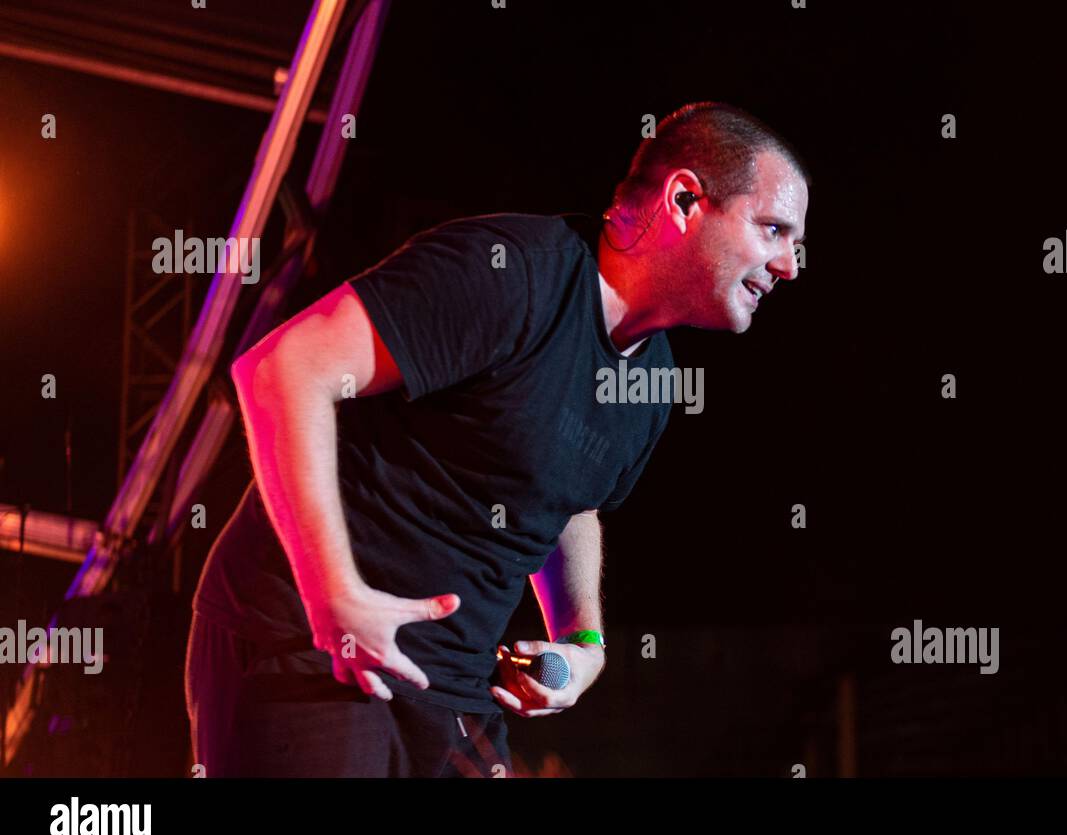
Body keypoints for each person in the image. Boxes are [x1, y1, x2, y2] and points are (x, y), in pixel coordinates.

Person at [184, 101, 810, 777]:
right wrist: (331, 593)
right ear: (686, 198)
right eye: (773, 229)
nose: (789, 267)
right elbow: (283, 369)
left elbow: (571, 499)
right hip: (305, 642)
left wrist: (583, 642)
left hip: (449, 687)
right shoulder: (512, 274)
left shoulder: (653, 381)